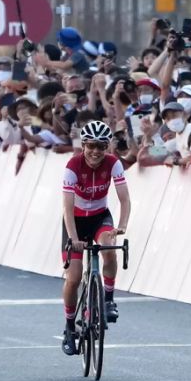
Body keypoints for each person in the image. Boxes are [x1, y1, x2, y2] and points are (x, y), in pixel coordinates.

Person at [61, 120, 131, 356]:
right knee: (73, 277)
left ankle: (109, 300)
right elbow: (67, 208)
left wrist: (121, 226)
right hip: (76, 222)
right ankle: (70, 327)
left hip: (101, 217)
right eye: (91, 146)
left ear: (108, 147)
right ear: (83, 145)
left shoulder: (113, 163)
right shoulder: (73, 165)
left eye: (101, 146)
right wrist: (73, 238)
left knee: (109, 247)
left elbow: (124, 199)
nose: (96, 151)